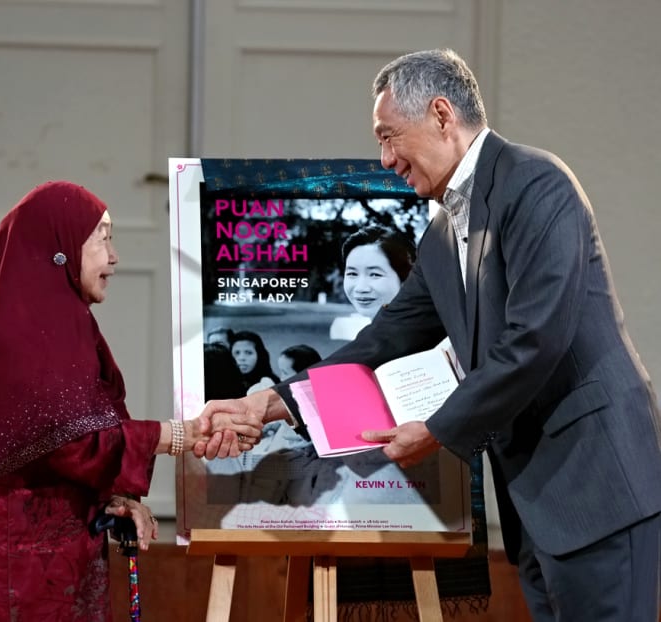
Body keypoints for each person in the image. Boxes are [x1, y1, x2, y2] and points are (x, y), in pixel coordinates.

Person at [198, 49, 661, 621]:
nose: (385, 158)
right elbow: (384, 337)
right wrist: (271, 402)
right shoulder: (443, 233)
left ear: (442, 114)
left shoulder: (538, 184)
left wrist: (437, 430)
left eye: (390, 136)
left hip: (597, 487)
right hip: (535, 503)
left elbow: (534, 339)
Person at [0, 181, 261, 622]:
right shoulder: (15, 331)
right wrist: (181, 435)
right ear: (58, 246)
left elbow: (59, 439)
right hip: (1, 567)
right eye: (102, 238)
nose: (114, 257)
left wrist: (116, 495)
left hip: (36, 558)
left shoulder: (43, 322)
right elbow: (67, 440)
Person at [329, 225, 416, 340]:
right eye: (352, 274)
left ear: (406, 278)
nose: (361, 288)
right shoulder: (373, 337)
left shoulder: (409, 338)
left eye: (375, 274)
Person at [230, 330, 280, 394]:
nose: (242, 358)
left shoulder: (272, 383)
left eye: (248, 353)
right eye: (237, 353)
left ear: (259, 355)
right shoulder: (226, 383)